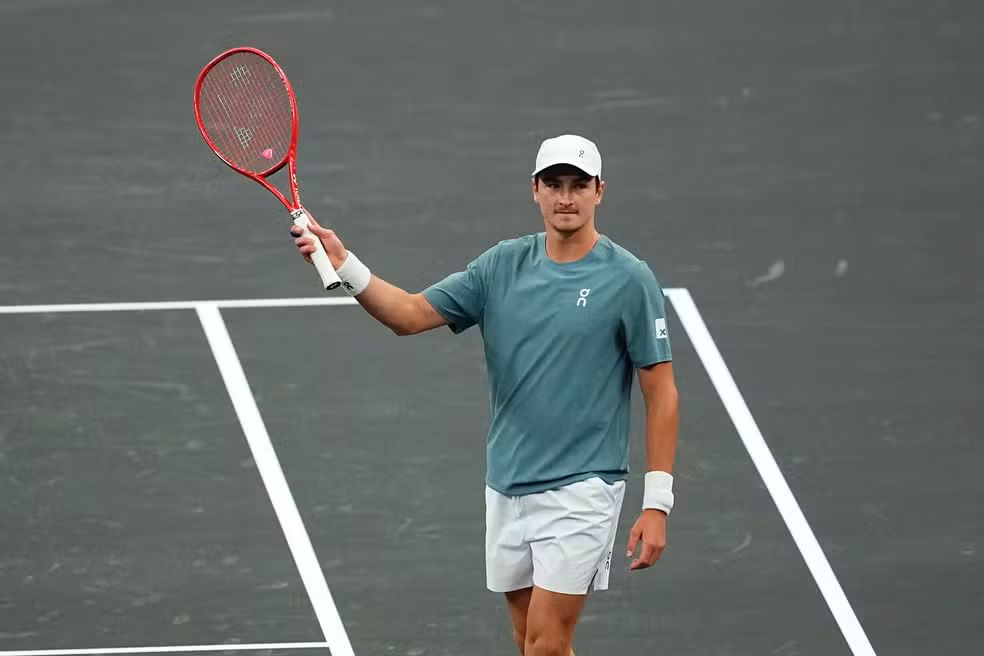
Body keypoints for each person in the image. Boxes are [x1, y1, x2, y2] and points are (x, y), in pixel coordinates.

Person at [290, 134, 679, 656]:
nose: (567, 197)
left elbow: (662, 392)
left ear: (599, 192)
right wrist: (344, 263)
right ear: (535, 191)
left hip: (583, 489)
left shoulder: (629, 280)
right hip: (508, 483)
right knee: (528, 643)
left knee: (545, 643)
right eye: (555, 185)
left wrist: (657, 504)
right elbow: (408, 315)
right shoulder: (500, 266)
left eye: (579, 185)